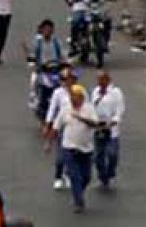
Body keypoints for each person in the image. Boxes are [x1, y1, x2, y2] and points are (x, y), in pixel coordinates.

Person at [55, 84, 100, 212]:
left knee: (86, 177)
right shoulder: (66, 109)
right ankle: (78, 202)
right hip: (69, 147)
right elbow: (57, 125)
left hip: (86, 149)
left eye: (76, 97)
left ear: (81, 97)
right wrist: (48, 140)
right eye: (71, 96)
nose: (73, 99)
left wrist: (81, 118)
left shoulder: (89, 109)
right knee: (75, 176)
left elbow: (95, 124)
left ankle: (78, 191)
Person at [91, 69, 125, 188]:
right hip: (98, 128)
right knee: (98, 156)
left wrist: (114, 121)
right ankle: (102, 176)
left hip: (111, 129)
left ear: (108, 80)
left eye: (102, 79)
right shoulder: (96, 92)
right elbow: (92, 108)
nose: (99, 82)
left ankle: (111, 172)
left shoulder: (116, 93)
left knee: (112, 154)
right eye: (98, 79)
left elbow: (120, 110)